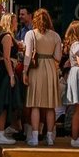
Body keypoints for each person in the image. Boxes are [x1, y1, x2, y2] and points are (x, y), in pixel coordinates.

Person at [21, 10, 62, 146]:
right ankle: (50, 136)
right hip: (50, 67)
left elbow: (27, 56)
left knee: (35, 104)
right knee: (50, 106)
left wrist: (24, 72)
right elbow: (58, 57)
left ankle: (34, 136)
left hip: (36, 69)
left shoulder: (31, 34)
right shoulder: (56, 36)